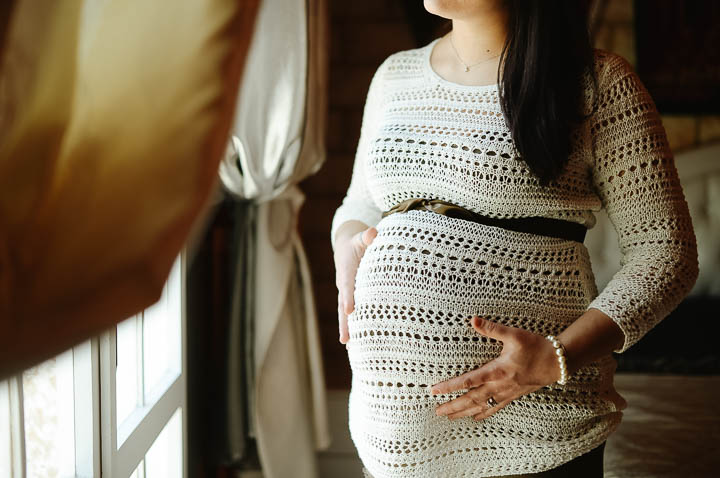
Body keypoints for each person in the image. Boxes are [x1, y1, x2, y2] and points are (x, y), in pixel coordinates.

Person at [330, 1, 699, 477]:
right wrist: (347, 243)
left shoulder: (596, 82)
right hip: (390, 433)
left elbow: (667, 252)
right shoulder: (394, 76)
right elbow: (359, 204)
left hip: (535, 426)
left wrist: (555, 357)